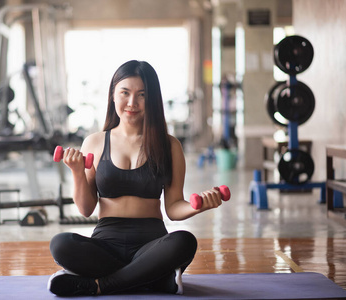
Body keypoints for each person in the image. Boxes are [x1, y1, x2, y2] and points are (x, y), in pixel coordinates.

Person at [48, 60, 223, 296]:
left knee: (184, 242)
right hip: (105, 244)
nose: (132, 103)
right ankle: (154, 278)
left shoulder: (170, 146)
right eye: (125, 93)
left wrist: (199, 205)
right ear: (112, 95)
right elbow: (86, 208)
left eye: (142, 95)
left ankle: (98, 285)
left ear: (152, 100)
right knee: (60, 244)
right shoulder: (95, 142)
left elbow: (173, 208)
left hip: (151, 244)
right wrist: (78, 172)